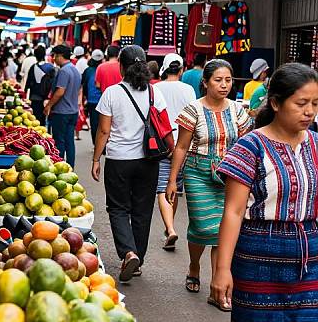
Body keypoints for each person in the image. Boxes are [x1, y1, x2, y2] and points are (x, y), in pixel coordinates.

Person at [212, 63, 318, 322]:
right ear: (275, 102)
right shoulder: (250, 147)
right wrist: (222, 269)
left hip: (309, 259)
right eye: (301, 103)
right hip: (258, 258)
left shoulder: (317, 145)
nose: (309, 112)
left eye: (315, 104)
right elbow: (234, 212)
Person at [166, 59, 251, 303]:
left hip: (230, 176)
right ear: (205, 82)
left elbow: (246, 147)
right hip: (197, 173)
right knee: (202, 227)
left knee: (222, 229)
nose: (224, 85)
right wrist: (173, 180)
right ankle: (194, 266)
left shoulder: (237, 110)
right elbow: (181, 147)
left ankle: (217, 286)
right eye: (218, 80)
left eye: (228, 80)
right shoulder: (193, 110)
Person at [92, 45, 174, 282]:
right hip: (148, 161)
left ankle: (128, 252)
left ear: (122, 67)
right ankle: (137, 258)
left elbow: (104, 130)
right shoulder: (154, 93)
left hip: (119, 160)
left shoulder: (112, 93)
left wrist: (97, 159)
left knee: (118, 208)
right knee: (142, 210)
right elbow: (165, 125)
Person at [154, 54, 196, 250]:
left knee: (163, 187)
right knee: (175, 187)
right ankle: (168, 227)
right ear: (181, 70)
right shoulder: (188, 89)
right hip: (184, 143)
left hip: (162, 143)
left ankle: (169, 228)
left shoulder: (156, 88)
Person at [44, 45, 81, 168]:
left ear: (60, 56)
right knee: (69, 141)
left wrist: (49, 105)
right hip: (73, 111)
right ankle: (70, 166)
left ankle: (59, 167)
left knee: (59, 141)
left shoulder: (64, 71)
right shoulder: (75, 70)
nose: (53, 59)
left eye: (54, 56)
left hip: (62, 112)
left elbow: (60, 91)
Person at [24, 45, 54, 126]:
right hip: (47, 99)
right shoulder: (50, 67)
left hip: (35, 98)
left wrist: (25, 97)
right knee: (45, 120)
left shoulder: (33, 67)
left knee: (36, 120)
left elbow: (27, 84)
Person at [82, 49, 104, 144]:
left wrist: (85, 97)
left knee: (94, 124)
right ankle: (102, 144)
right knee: (103, 123)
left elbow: (84, 85)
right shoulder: (103, 69)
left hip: (92, 101)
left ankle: (96, 144)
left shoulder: (88, 71)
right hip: (102, 100)